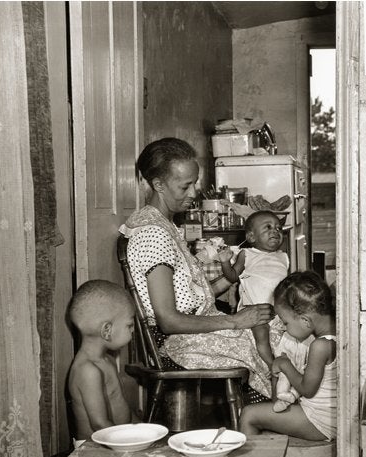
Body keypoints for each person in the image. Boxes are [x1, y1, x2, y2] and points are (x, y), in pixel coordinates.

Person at [119, 137, 282, 401]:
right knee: (268, 347)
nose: (193, 193)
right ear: (158, 185)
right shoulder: (152, 234)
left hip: (196, 328)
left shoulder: (166, 225)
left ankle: (272, 419)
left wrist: (231, 279)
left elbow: (191, 294)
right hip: (176, 344)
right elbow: (169, 320)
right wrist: (234, 320)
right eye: (185, 186)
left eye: (194, 183)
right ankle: (267, 419)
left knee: (278, 329)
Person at [239, 271, 337, 441]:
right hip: (328, 415)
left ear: (305, 320)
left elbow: (307, 390)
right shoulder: (336, 332)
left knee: (248, 414)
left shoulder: (320, 346)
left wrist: (285, 364)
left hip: (319, 420)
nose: (285, 328)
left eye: (286, 323)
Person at [67, 280, 140, 447]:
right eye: (129, 325)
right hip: (92, 449)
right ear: (107, 330)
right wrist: (129, 445)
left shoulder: (107, 360)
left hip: (113, 440)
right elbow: (99, 425)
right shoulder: (87, 370)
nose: (133, 330)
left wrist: (144, 430)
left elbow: (122, 407)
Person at [217, 210, 290, 369]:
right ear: (251, 237)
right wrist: (225, 262)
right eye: (268, 227)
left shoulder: (283, 257)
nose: (275, 231)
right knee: (262, 335)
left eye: (278, 228)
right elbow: (233, 276)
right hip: (254, 310)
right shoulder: (247, 254)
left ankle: (290, 364)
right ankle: (272, 365)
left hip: (278, 309)